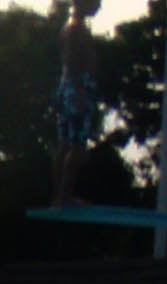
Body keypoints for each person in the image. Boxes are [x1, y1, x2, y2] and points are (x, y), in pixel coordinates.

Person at [52, 0, 103, 208]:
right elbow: (72, 61)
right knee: (77, 145)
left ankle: (60, 196)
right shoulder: (76, 29)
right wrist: (80, 93)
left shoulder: (71, 26)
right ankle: (64, 196)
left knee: (65, 142)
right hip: (77, 87)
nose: (98, 7)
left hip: (70, 87)